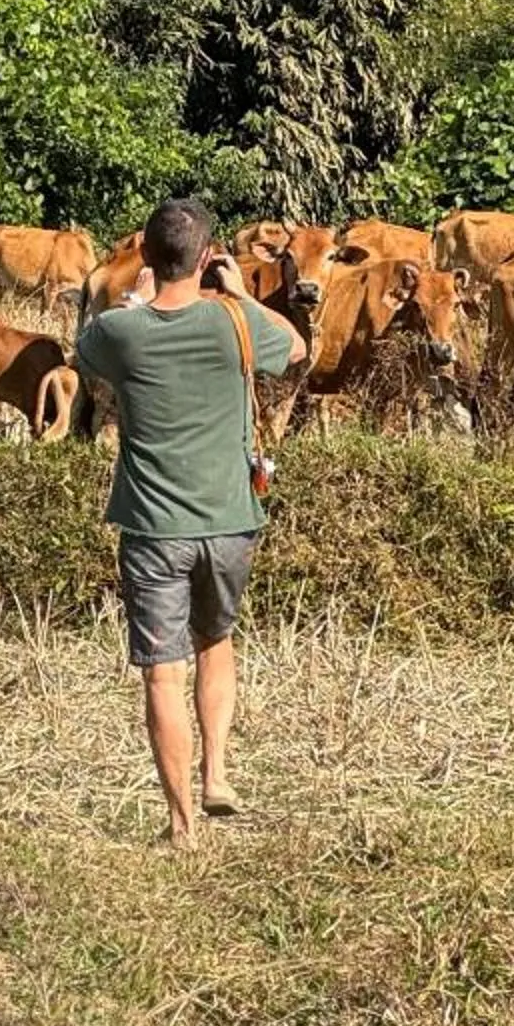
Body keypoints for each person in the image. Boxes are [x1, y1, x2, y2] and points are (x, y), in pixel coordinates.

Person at [73, 197, 307, 848]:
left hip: (154, 526)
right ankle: (218, 776)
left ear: (145, 257)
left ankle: (181, 828)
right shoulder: (234, 322)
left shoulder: (122, 332)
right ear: (208, 260)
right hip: (232, 517)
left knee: (162, 673)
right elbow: (294, 348)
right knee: (217, 641)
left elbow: (85, 354)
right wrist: (240, 295)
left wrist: (134, 303)